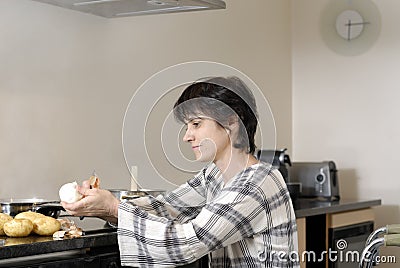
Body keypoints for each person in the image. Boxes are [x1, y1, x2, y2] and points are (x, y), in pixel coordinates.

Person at [62, 76, 299, 267]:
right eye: (187, 126)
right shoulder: (215, 175)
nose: (187, 136)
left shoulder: (256, 184)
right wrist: (107, 208)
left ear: (231, 122)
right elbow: (168, 208)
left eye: (196, 124)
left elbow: (188, 242)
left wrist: (113, 207)